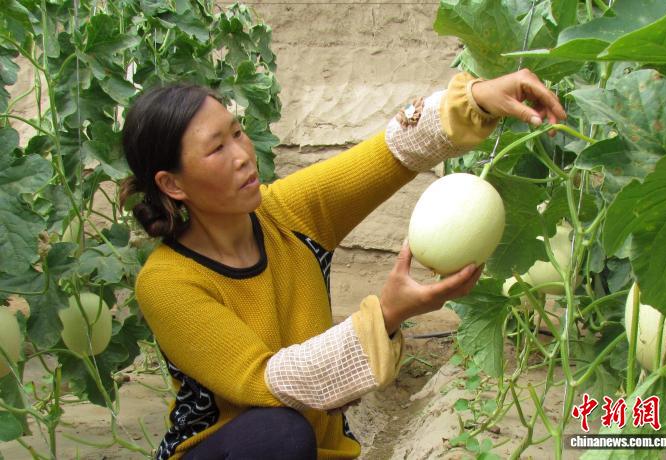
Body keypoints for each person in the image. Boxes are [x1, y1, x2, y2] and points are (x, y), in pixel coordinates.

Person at [120, 68, 566, 460]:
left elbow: (393, 152)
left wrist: (477, 98)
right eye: (216, 149)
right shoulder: (167, 282)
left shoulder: (287, 214)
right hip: (229, 449)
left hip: (311, 449)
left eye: (237, 133)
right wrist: (387, 314)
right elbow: (269, 383)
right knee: (279, 433)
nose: (242, 155)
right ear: (172, 184)